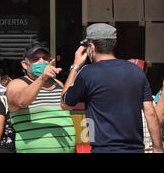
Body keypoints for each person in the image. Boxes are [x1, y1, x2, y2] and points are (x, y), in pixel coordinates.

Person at [61, 23, 163, 153]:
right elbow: (150, 113)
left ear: (91, 47)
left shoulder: (88, 73)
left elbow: (65, 104)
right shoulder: (136, 72)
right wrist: (158, 148)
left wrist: (75, 66)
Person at [6, 41, 76, 153]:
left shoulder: (57, 83)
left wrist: (75, 66)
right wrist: (42, 78)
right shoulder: (17, 84)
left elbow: (68, 104)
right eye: (35, 60)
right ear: (25, 64)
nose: (42, 62)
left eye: (45, 58)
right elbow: (21, 101)